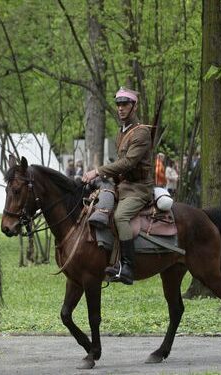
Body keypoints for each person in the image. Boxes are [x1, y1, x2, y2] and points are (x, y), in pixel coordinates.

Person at [82, 87, 153, 285]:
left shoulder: (141, 133)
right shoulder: (122, 133)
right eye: (118, 104)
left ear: (134, 106)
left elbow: (128, 163)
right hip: (124, 185)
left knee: (121, 216)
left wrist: (98, 171)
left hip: (139, 188)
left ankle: (128, 267)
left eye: (125, 104)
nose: (120, 108)